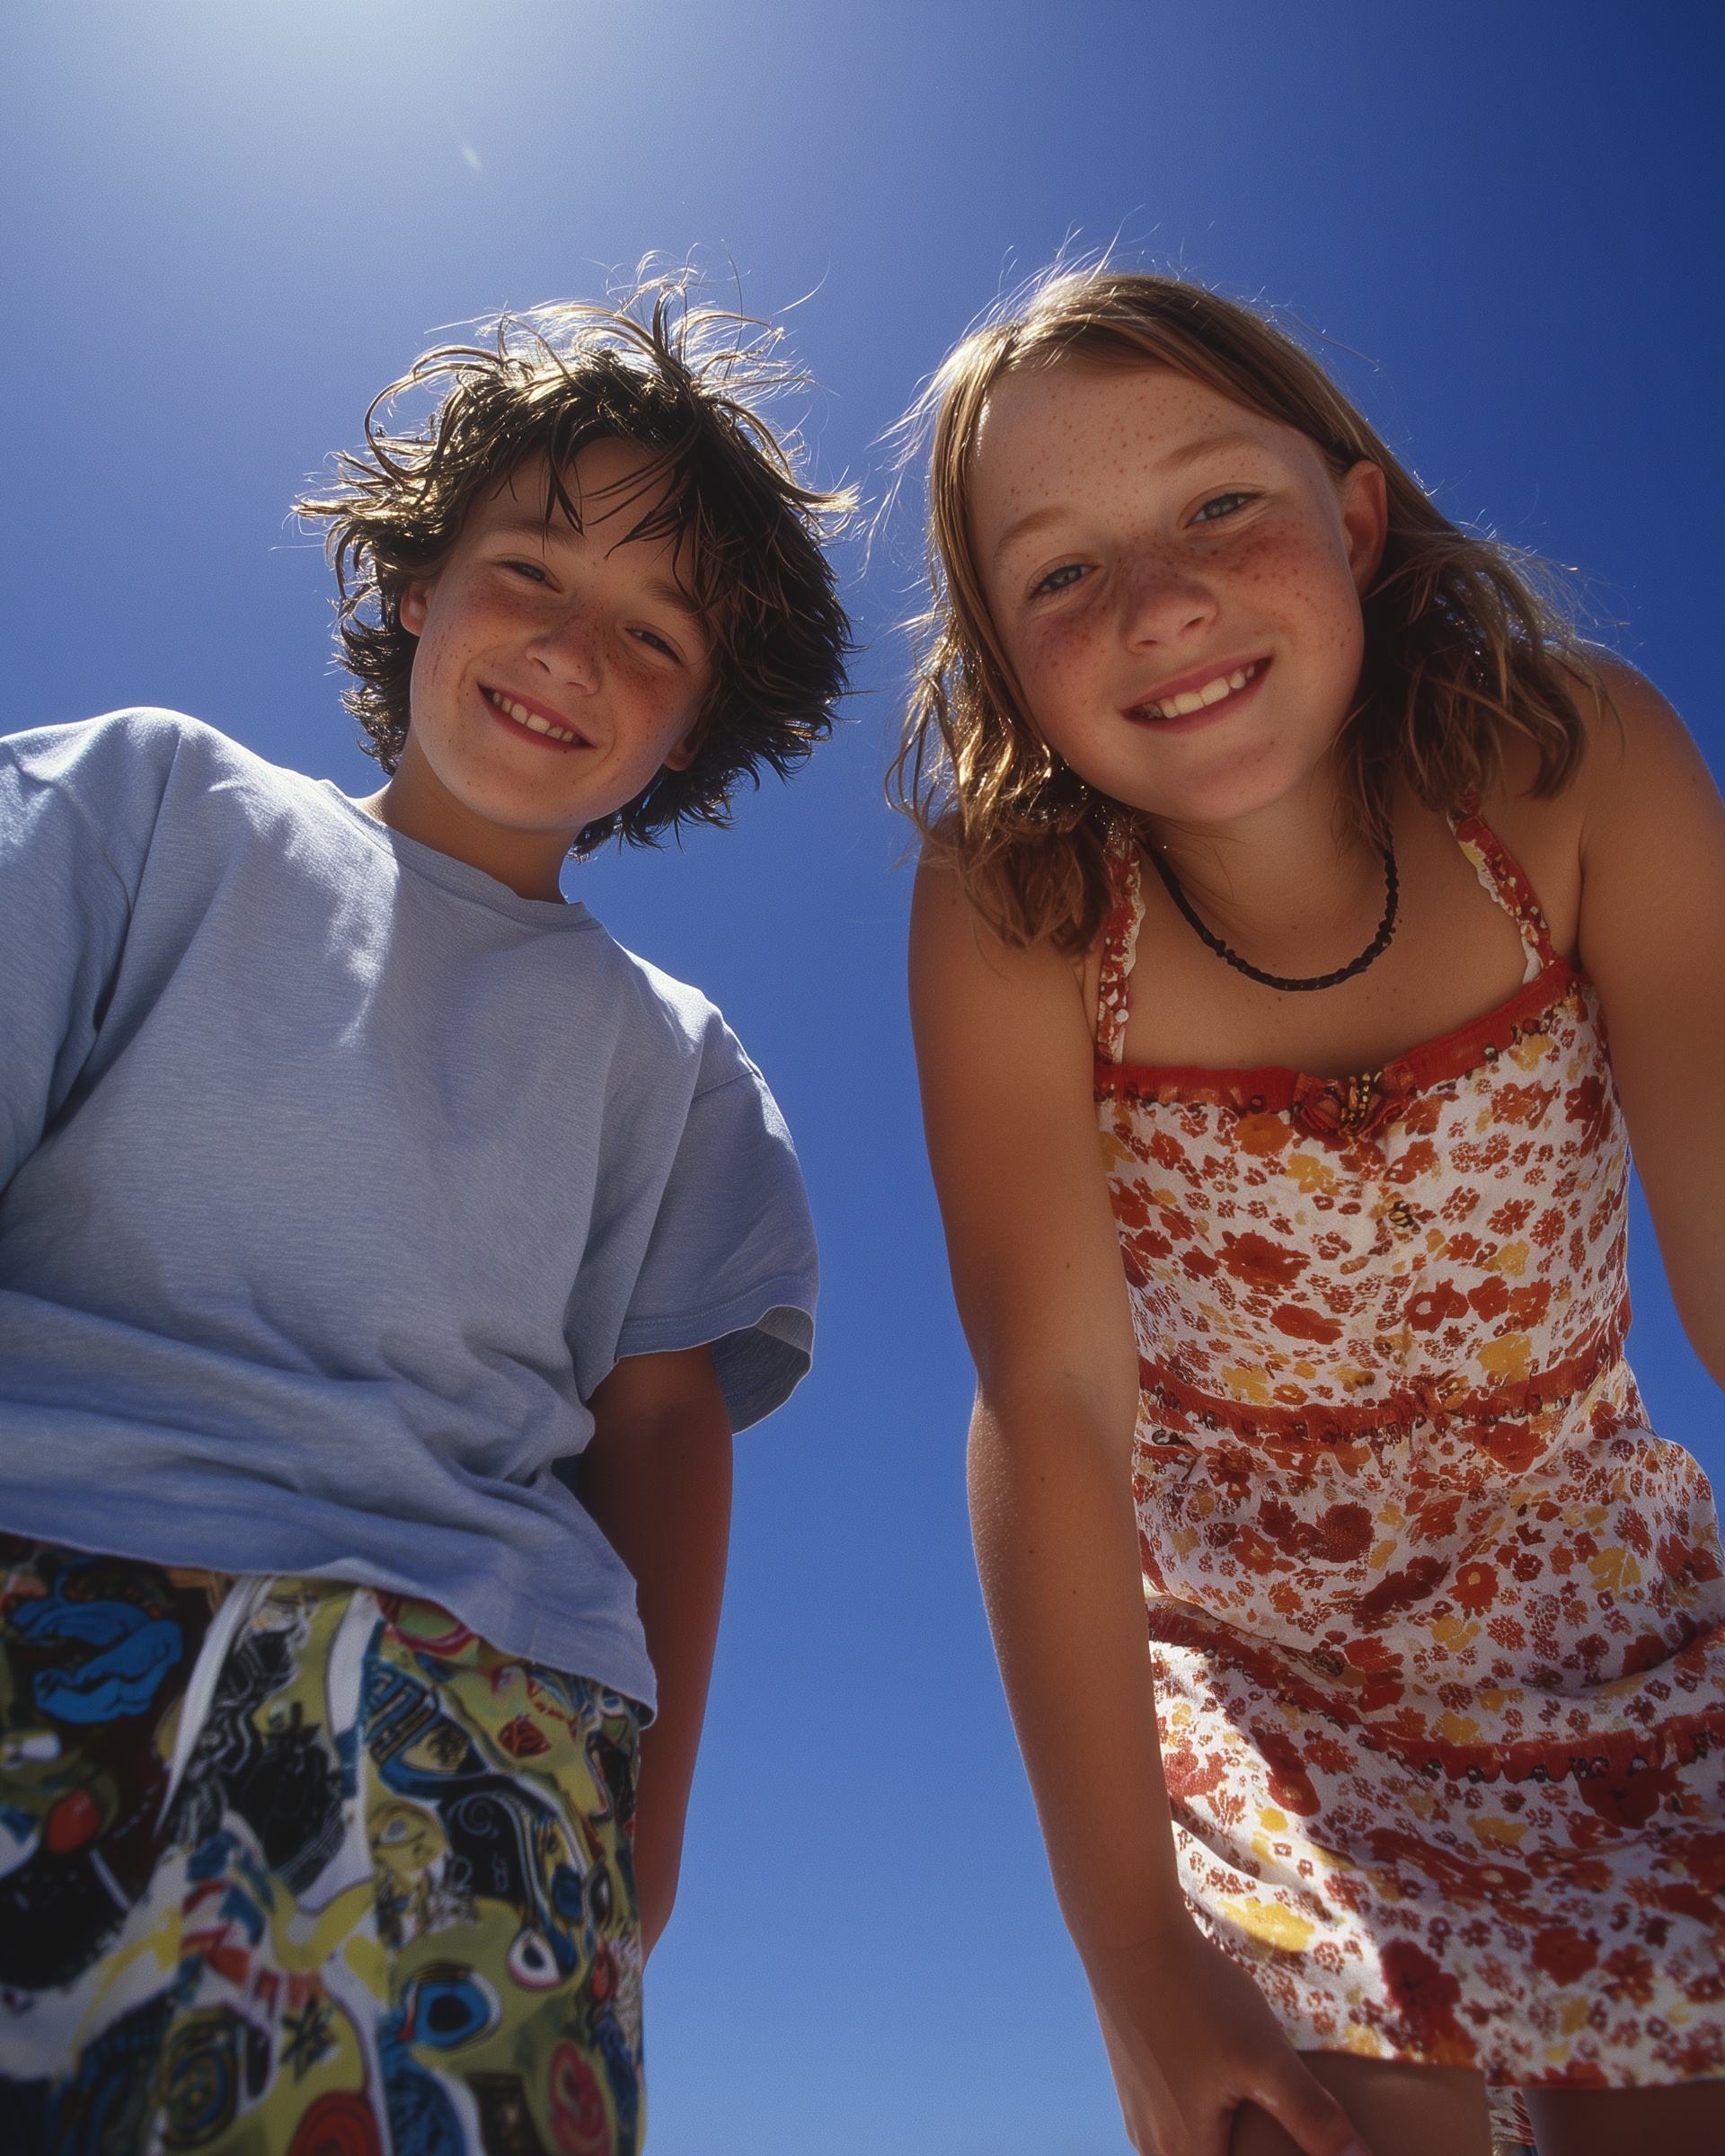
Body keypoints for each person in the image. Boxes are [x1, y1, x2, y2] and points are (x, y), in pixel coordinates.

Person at [0, 284, 851, 2155]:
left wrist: (645, 1846)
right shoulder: (156, 811)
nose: (570, 650)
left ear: (691, 731)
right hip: (45, 1558)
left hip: (464, 1706)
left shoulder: (674, 1059)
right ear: (415, 582)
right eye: (532, 568)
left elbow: (659, 1424)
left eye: (653, 634)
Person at [899, 269, 1724, 2156]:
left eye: (1217, 507)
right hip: (1258, 1688)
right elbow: (1055, 1404)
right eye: (1058, 574)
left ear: (1354, 519)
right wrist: (1137, 1966)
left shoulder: (1574, 769)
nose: (1161, 604)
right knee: (1307, 2123)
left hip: (1613, 1634)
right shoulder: (1019, 911)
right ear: (1004, 656)